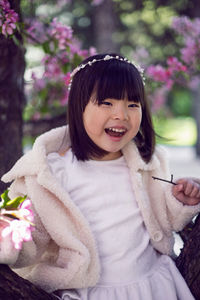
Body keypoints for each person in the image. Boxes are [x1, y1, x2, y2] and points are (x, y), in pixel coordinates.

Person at [0, 53, 200, 300]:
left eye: (132, 104)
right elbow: (26, 230)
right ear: (79, 106)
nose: (121, 115)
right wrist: (6, 231)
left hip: (151, 286)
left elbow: (163, 218)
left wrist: (181, 200)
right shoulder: (50, 173)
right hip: (89, 292)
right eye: (107, 103)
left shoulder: (146, 162)